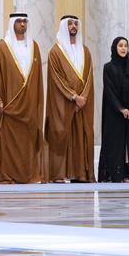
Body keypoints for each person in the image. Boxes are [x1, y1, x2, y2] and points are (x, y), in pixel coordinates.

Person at [0, 12, 44, 184]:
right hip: (8, 108)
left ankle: (27, 175)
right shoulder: (3, 47)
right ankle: (6, 176)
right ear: (12, 23)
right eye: (19, 21)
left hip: (29, 108)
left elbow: (38, 80)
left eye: (24, 21)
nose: (22, 24)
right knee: (7, 144)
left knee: (27, 143)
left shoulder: (34, 46)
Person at [45, 15, 95, 183]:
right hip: (63, 102)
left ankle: (80, 174)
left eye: (75, 24)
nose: (73, 26)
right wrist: (73, 97)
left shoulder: (85, 50)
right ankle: (59, 174)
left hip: (83, 103)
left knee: (81, 136)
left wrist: (84, 98)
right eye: (70, 24)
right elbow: (57, 78)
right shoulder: (55, 52)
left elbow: (89, 77)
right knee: (61, 135)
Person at [98, 37, 129, 182]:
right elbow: (109, 91)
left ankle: (128, 173)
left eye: (126, 46)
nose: (123, 48)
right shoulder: (108, 67)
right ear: (115, 48)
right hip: (114, 113)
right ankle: (115, 174)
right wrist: (121, 109)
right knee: (116, 144)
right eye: (120, 46)